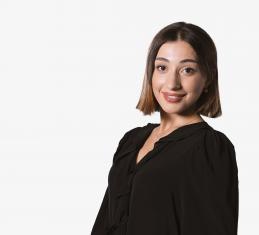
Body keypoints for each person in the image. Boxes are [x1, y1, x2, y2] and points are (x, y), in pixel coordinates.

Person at [91, 21, 239, 235]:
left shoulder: (210, 148)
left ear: (207, 78)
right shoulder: (131, 140)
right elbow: (105, 221)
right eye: (162, 68)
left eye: (187, 70)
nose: (172, 83)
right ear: (151, 73)